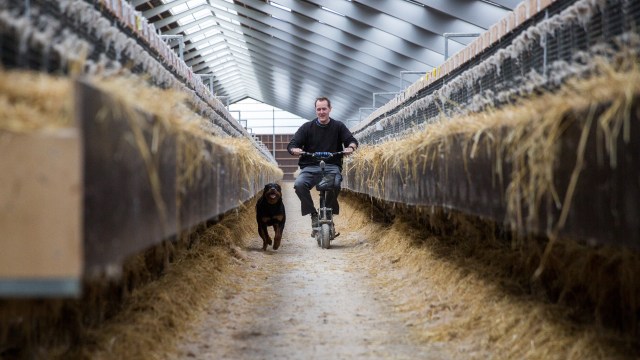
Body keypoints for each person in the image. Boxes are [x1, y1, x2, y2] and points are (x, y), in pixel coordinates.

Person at [287, 96, 358, 235]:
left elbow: (351, 140)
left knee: (336, 184)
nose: (321, 112)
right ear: (315, 110)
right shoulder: (307, 127)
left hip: (331, 166)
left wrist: (351, 147)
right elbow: (292, 144)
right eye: (318, 109)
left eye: (324, 109)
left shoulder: (338, 126)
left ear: (330, 109)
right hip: (310, 167)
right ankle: (313, 214)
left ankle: (329, 212)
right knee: (299, 184)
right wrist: (294, 149)